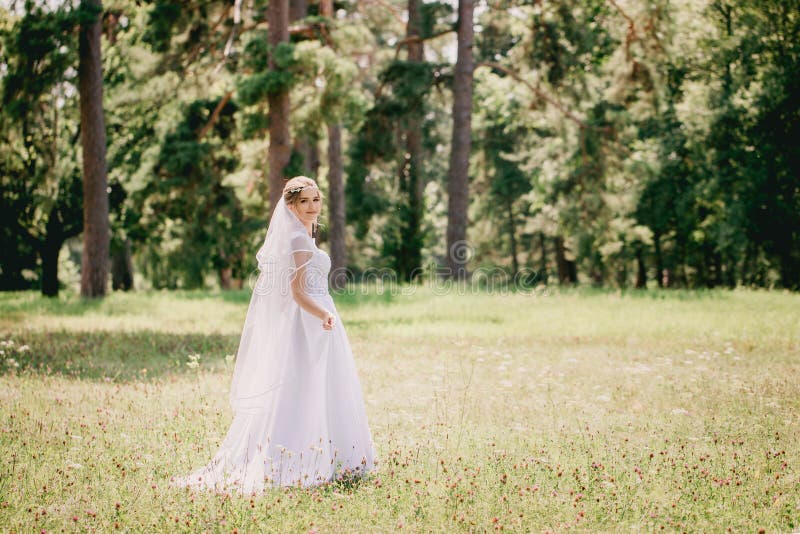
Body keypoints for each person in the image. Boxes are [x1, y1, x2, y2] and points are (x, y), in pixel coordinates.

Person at [172, 176, 375, 493]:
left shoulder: (304, 235)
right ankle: (299, 457)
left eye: (316, 200)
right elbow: (296, 292)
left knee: (324, 385)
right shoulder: (296, 238)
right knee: (304, 386)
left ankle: (335, 455)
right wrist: (324, 314)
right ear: (291, 205)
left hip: (320, 319)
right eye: (304, 201)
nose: (311, 207)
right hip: (311, 321)